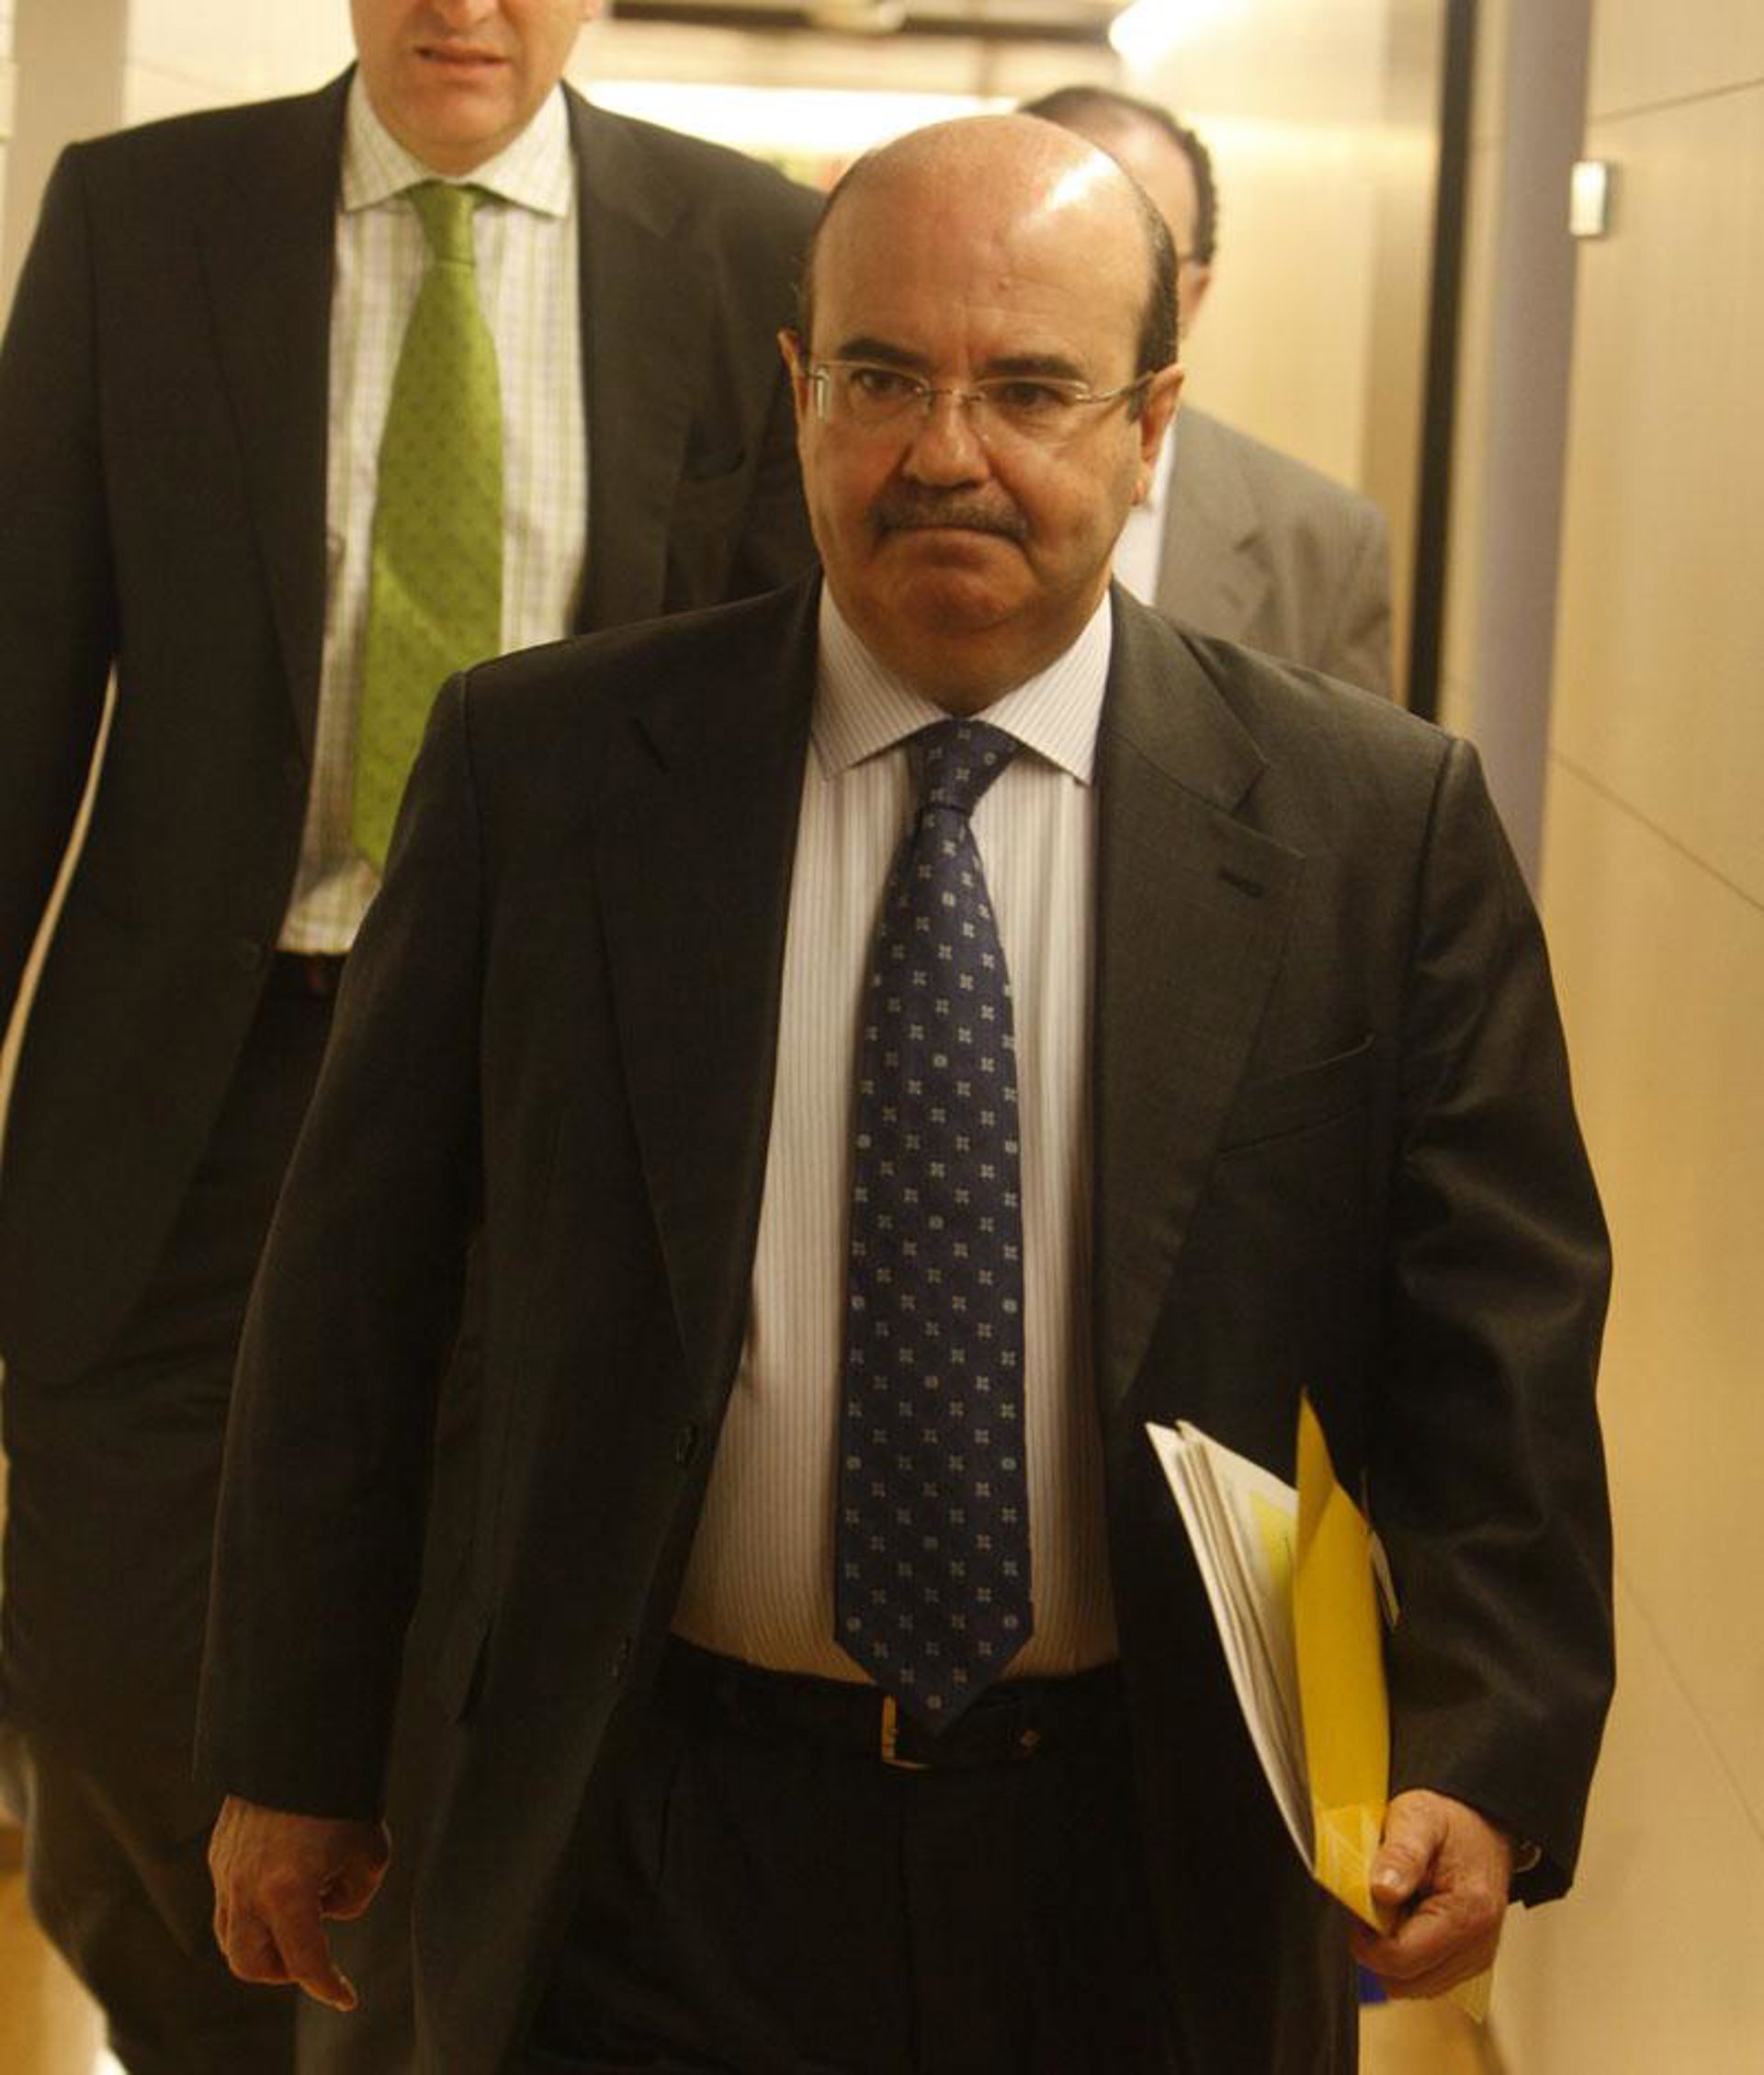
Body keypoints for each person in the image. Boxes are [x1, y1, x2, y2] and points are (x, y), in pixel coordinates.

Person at [201, 114, 1612, 2073]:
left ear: (1151, 422)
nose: (946, 450)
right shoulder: (548, 775)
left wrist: (1480, 1736)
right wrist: (293, 1741)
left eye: (1029, 389)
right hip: (646, 1840)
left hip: (1147, 1863)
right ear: (800, 391)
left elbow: (1495, 1349)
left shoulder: (1376, 831)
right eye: (882, 378)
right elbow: (357, 1291)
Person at [0, 1, 818, 2067]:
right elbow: (14, 687)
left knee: (476, 1668)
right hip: (199, 1092)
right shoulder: (142, 219)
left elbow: (779, 730)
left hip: (552, 1091)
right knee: (107, 1675)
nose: (467, 2)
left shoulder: (744, 246)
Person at [1024, 84, 1395, 694]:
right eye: (1046, 243)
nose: (1080, 290)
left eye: (1139, 256)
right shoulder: (883, 485)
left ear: (1193, 295)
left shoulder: (1321, 545)